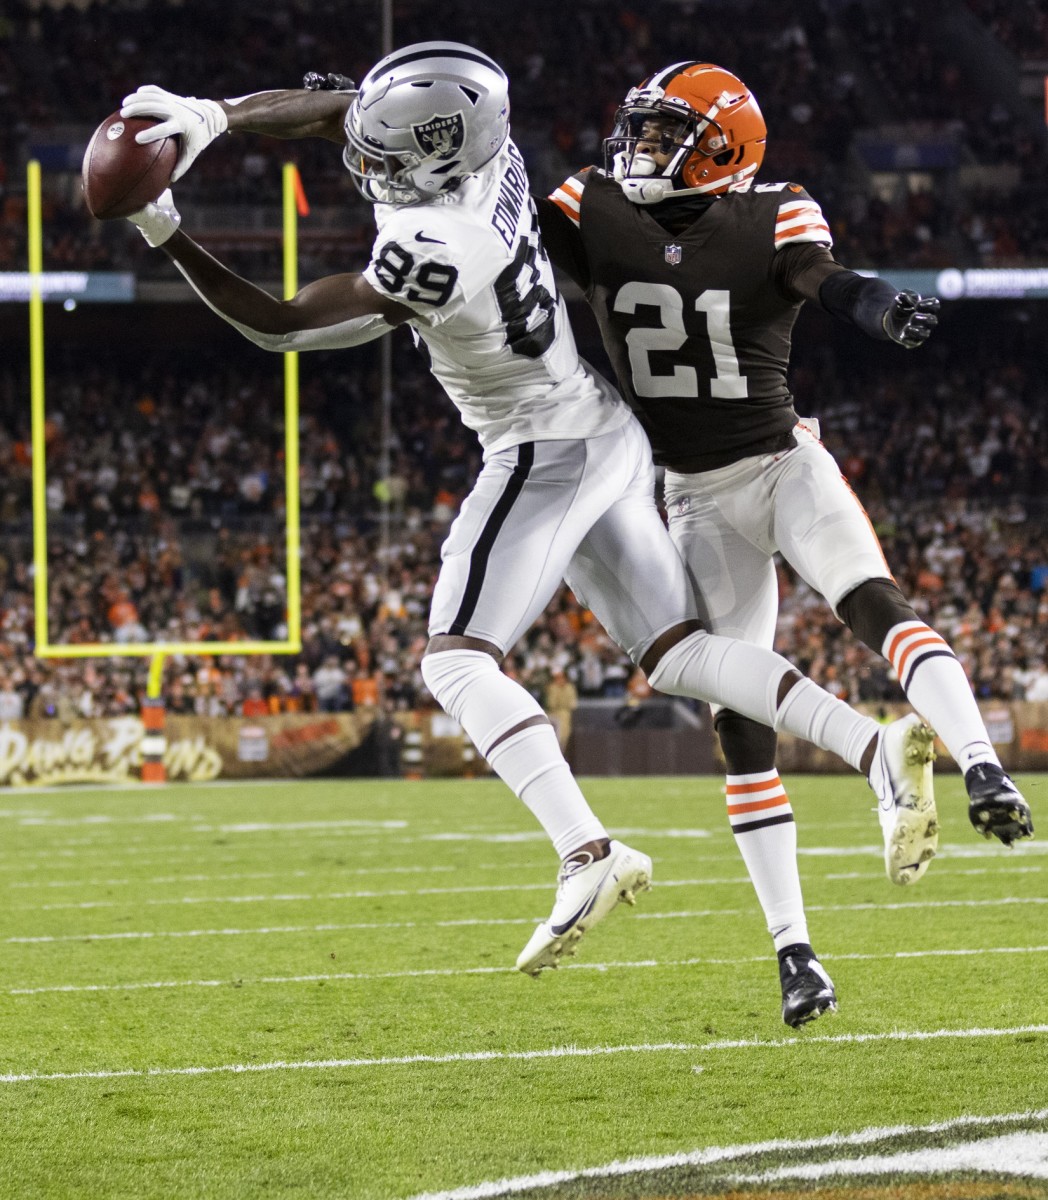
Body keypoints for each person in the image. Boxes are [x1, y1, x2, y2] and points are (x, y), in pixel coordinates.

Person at [119, 44, 934, 1022]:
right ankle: (871, 747)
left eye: (386, 154)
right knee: (681, 656)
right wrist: (218, 112)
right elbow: (342, 106)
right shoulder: (486, 151)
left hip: (538, 447)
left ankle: (587, 850)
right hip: (598, 425)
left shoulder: (435, 242)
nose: (366, 162)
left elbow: (283, 325)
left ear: (429, 158)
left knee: (455, 662)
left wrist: (163, 228)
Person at [535, 59, 1034, 1009]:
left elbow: (825, 278)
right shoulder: (591, 204)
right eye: (638, 130)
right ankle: (795, 951)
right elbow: (503, 218)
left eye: (664, 133)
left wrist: (881, 305)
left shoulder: (775, 210)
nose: (639, 149)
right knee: (740, 723)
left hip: (779, 464)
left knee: (872, 602)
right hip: (691, 495)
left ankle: (983, 767)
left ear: (725, 150)